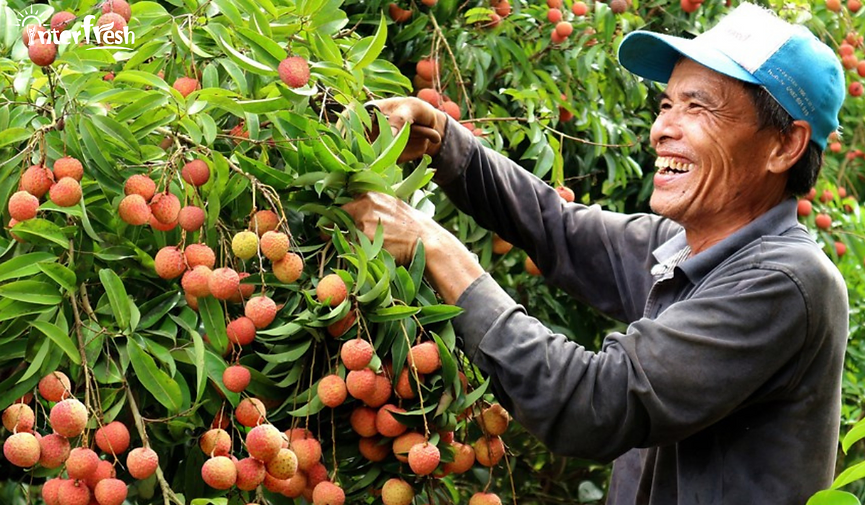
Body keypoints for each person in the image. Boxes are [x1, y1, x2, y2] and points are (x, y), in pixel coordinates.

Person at [343, 3, 849, 503]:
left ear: (783, 147)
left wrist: (434, 247)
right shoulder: (684, 247)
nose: (662, 129)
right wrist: (442, 136)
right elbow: (555, 226)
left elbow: (593, 403)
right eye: (667, 105)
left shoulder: (786, 281)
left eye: (699, 107)